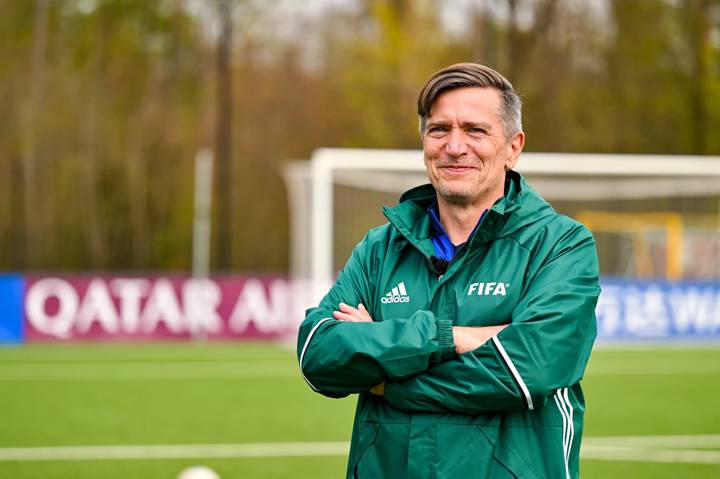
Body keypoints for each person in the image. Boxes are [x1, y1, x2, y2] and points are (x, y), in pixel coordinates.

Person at [297, 63, 600, 479]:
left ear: (513, 146)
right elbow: (320, 355)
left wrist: (386, 377)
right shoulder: (380, 248)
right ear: (424, 141)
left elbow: (528, 372)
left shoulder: (561, 245)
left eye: (476, 130)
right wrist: (448, 338)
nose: (455, 146)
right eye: (440, 129)